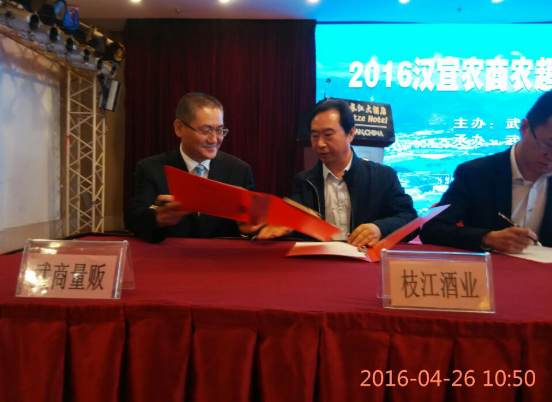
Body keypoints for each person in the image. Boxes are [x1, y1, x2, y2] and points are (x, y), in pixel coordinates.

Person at [258, 99, 417, 247]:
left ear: (351, 133)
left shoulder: (383, 176)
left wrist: (379, 229)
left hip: (366, 263)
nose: (320, 144)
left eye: (328, 135)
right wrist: (286, 225)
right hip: (319, 263)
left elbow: (410, 220)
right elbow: (295, 223)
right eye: (315, 136)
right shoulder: (304, 181)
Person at [420, 90, 552, 253]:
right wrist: (486, 238)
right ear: (524, 128)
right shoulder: (475, 174)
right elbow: (432, 229)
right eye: (548, 145)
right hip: (491, 268)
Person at [124, 92, 260, 243]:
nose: (214, 139)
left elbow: (251, 227)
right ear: (179, 128)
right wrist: (158, 218)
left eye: (220, 130)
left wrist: (249, 228)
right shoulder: (151, 168)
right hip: (170, 255)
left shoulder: (239, 170)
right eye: (205, 131)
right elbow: (133, 220)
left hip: (222, 255)